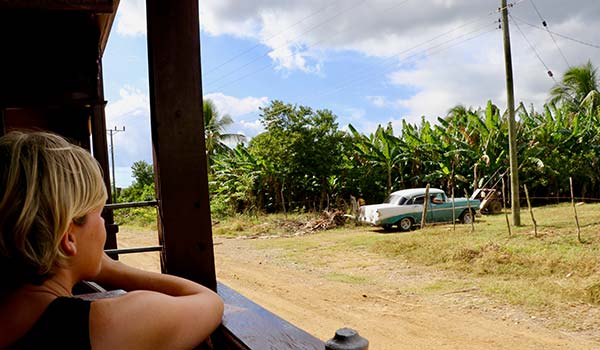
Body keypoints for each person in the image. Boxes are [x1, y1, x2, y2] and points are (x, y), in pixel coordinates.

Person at [0, 131, 224, 350]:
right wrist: (110, 268)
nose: (103, 226)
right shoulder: (103, 325)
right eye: (99, 214)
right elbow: (209, 302)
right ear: (69, 238)